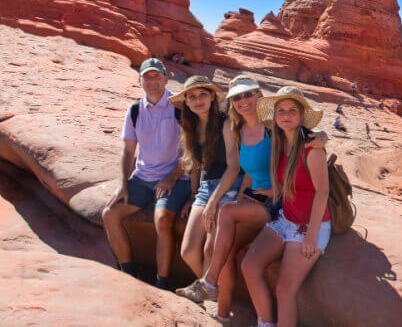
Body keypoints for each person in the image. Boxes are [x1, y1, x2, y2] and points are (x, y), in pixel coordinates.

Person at [175, 77, 328, 323]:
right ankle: (223, 314)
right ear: (232, 102)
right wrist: (241, 196)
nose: (243, 101)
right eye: (236, 97)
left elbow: (300, 136)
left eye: (248, 95)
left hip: (276, 205)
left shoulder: (273, 127)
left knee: (225, 220)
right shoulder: (236, 130)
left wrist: (321, 135)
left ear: (258, 96)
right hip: (255, 199)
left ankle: (210, 283)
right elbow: (242, 170)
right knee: (225, 246)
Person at [242, 86, 331, 327]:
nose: (286, 115)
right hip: (285, 218)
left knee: (284, 290)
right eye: (280, 110)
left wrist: (311, 235)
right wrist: (273, 192)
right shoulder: (280, 144)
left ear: (301, 115)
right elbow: (288, 181)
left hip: (308, 225)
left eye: (292, 110)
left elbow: (322, 192)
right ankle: (265, 323)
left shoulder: (313, 149)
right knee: (249, 266)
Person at [102, 58, 190, 290]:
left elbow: (193, 150)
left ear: (165, 79)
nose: (152, 81)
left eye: (156, 76)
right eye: (147, 77)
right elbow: (128, 150)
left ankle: (162, 284)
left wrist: (172, 176)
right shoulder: (134, 110)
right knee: (109, 214)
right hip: (142, 178)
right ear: (139, 80)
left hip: (175, 177)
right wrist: (123, 184)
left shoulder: (180, 107)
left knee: (162, 221)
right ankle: (129, 272)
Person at [167, 76, 245, 292]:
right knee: (189, 251)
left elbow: (234, 167)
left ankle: (208, 294)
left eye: (203, 94)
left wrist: (213, 202)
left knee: (211, 245)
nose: (197, 100)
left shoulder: (225, 122)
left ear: (212, 96)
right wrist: (193, 196)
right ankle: (210, 289)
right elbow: (195, 164)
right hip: (205, 188)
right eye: (191, 97)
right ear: (187, 102)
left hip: (229, 185)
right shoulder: (190, 127)